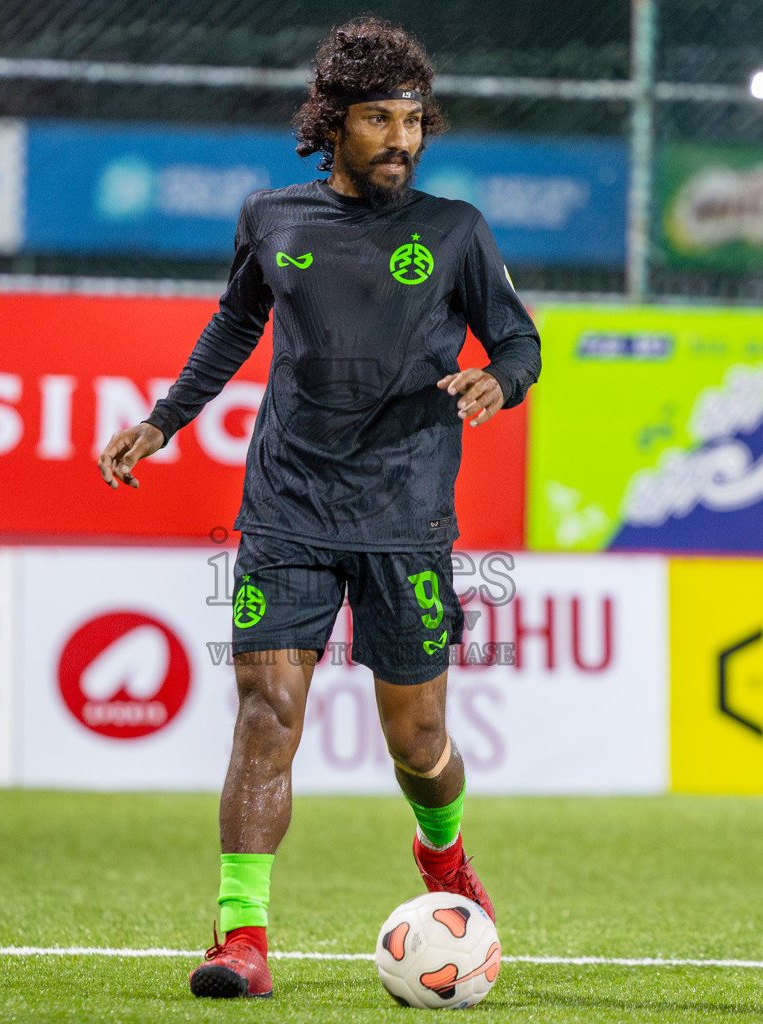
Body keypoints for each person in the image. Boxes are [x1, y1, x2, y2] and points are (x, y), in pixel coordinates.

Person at [99, 17, 540, 1000]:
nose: (403, 138)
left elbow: (520, 346)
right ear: (331, 124)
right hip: (289, 503)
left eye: (414, 119)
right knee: (266, 712)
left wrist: (495, 385)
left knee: (418, 744)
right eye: (380, 118)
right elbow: (235, 323)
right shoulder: (273, 219)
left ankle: (443, 858)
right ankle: (241, 935)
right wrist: (166, 420)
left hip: (406, 513)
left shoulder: (455, 229)